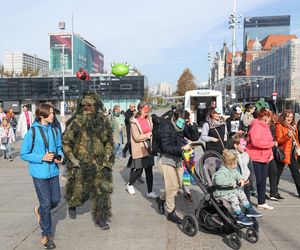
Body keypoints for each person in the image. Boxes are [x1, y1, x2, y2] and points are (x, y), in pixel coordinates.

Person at [63, 92, 114, 230]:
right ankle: (72, 203)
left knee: (101, 190)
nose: (87, 108)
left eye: (89, 105)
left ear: (95, 106)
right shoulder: (76, 122)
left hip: (99, 162)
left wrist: (108, 155)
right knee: (78, 190)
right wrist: (73, 160)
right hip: (80, 162)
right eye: (84, 105)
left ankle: (101, 217)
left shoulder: (103, 121)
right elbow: (66, 142)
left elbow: (108, 141)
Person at [20, 103, 64, 249]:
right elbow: (23, 154)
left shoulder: (55, 130)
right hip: (39, 173)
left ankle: (40, 211)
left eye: (53, 113)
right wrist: (41, 157)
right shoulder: (32, 132)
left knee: (56, 200)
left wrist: (60, 156)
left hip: (53, 171)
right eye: (50, 113)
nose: (53, 115)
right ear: (41, 115)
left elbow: (59, 147)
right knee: (46, 204)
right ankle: (46, 235)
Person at [155, 109, 195, 224]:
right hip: (166, 161)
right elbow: (165, 147)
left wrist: (191, 124)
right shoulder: (166, 127)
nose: (182, 124)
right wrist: (182, 149)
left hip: (177, 159)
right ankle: (171, 212)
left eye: (184, 122)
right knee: (171, 188)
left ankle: (160, 198)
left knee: (177, 187)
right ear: (175, 118)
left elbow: (194, 136)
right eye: (181, 121)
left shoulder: (182, 127)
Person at [213, 149, 262, 226]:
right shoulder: (222, 171)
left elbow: (237, 174)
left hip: (230, 190)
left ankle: (249, 209)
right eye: (234, 164)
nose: (236, 166)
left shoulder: (232, 169)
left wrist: (241, 179)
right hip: (222, 192)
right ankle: (240, 215)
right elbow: (218, 181)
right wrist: (231, 182)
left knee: (241, 192)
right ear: (228, 164)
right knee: (234, 197)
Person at [126, 101, 157, 198]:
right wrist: (148, 135)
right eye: (145, 109)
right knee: (139, 170)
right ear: (140, 109)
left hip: (149, 147)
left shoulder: (149, 119)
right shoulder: (134, 122)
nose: (147, 111)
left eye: (148, 109)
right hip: (140, 148)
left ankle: (150, 191)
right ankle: (129, 184)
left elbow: (153, 129)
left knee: (149, 171)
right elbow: (136, 137)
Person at [246, 108, 275, 210]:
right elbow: (256, 142)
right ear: (262, 116)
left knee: (262, 180)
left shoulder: (266, 126)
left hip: (265, 157)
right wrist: (271, 144)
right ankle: (246, 202)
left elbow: (269, 140)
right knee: (256, 181)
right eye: (266, 117)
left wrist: (271, 153)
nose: (268, 119)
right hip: (255, 157)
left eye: (269, 117)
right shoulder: (256, 126)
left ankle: (261, 202)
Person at [275, 109, 300, 198]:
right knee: (278, 173)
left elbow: (296, 139)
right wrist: (287, 136)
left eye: (291, 117)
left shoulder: (293, 126)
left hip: (292, 152)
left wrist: (298, 147)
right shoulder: (279, 126)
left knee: (296, 173)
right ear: (283, 117)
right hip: (283, 152)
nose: (289, 119)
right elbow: (279, 141)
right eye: (287, 117)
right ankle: (274, 192)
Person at [232, 134, 257, 201]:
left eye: (245, 145)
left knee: (247, 201)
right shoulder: (232, 157)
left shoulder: (246, 155)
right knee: (239, 202)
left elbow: (251, 171)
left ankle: (248, 210)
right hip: (238, 184)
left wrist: (254, 187)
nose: (245, 147)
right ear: (235, 145)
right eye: (243, 145)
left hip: (246, 182)